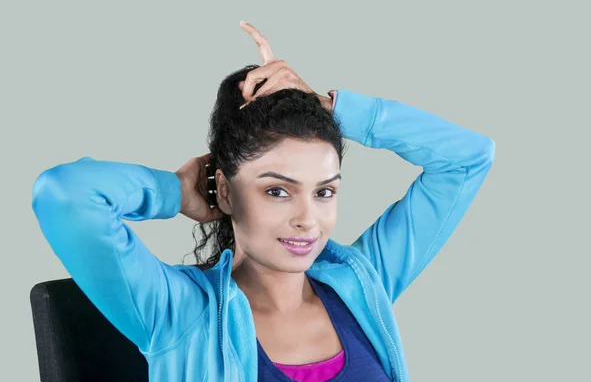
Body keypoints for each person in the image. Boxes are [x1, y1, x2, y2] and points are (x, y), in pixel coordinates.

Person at [31, 21, 495, 381]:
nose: (307, 220)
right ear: (228, 192)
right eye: (277, 191)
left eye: (324, 191)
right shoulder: (180, 314)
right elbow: (66, 195)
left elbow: (467, 158)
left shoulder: (362, 286)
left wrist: (328, 105)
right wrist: (176, 191)